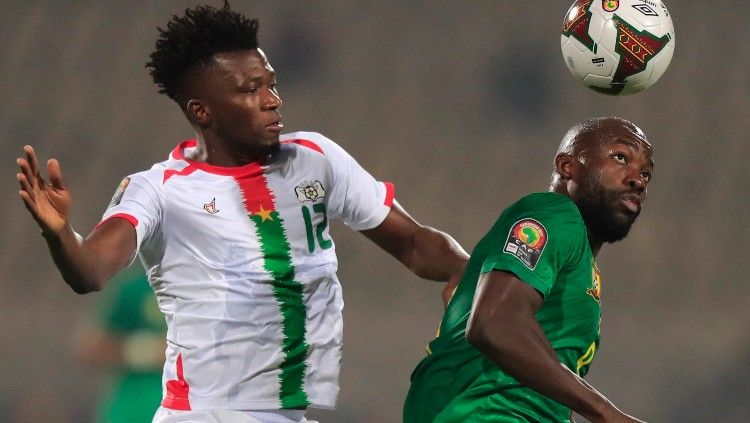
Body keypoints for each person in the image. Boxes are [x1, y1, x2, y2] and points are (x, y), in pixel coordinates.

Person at [15, 3, 467, 423]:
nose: (272, 100)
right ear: (202, 111)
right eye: (251, 90)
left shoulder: (316, 158)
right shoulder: (159, 190)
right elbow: (89, 271)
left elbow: (414, 243)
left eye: (271, 83)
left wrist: (490, 275)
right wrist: (59, 234)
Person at [403, 116, 653, 423]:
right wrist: (606, 414)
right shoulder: (555, 214)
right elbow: (494, 323)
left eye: (645, 174)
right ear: (567, 166)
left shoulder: (579, 263)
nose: (638, 180)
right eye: (620, 157)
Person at [73, 265, 166, 423]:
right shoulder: (137, 288)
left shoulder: (213, 289)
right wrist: (146, 351)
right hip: (134, 406)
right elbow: (91, 346)